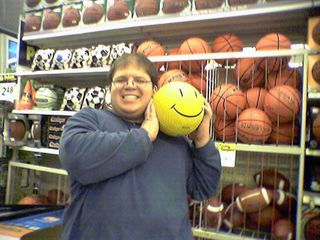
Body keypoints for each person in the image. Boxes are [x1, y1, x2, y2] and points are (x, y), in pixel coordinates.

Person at [59, 53, 221, 240]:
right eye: (121, 80)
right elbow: (75, 156)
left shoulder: (176, 137)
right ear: (109, 88)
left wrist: (203, 141)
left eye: (139, 80)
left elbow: (203, 189)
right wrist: (144, 136)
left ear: (154, 90)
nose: (129, 85)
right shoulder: (90, 119)